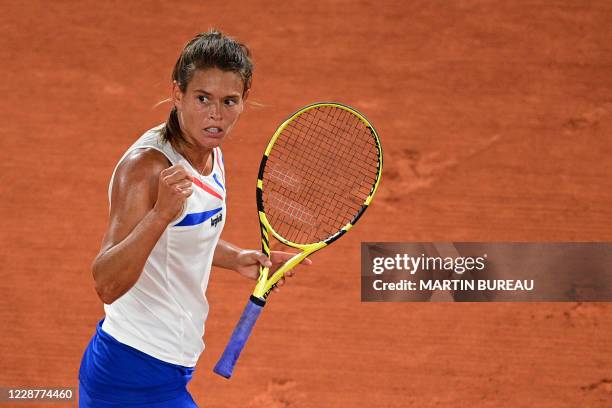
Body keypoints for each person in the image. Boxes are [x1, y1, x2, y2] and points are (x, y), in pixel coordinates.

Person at [78, 29, 310, 407]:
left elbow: (179, 238)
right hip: (130, 374)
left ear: (244, 100)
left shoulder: (209, 150)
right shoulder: (146, 169)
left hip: (169, 366)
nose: (216, 115)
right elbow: (106, 282)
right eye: (202, 99)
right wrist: (159, 214)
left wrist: (235, 258)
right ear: (177, 93)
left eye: (229, 101)